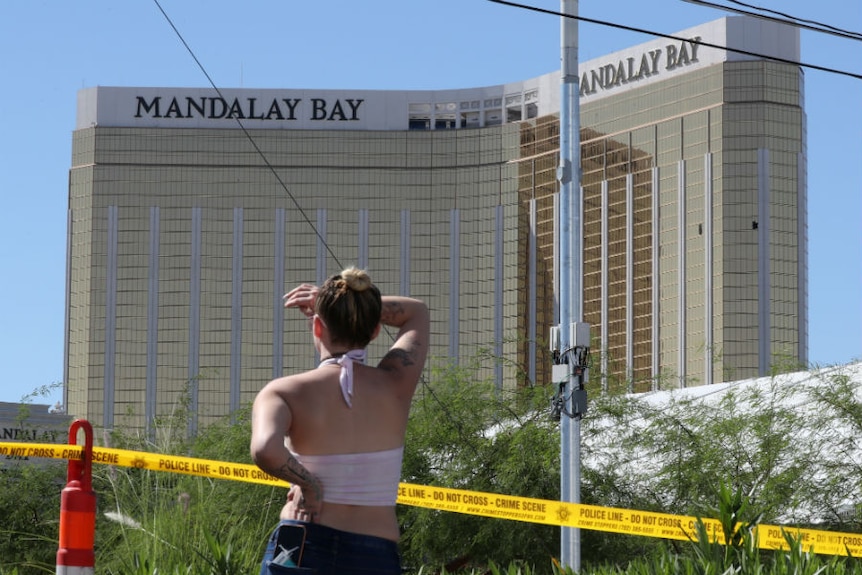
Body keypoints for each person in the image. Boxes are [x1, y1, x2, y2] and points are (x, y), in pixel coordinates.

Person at [251, 267, 430, 575]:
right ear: (374, 331)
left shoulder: (283, 391)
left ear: (317, 327)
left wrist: (310, 488)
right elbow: (417, 313)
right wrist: (335, 302)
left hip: (302, 541)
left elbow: (266, 449)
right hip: (374, 551)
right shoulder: (396, 382)